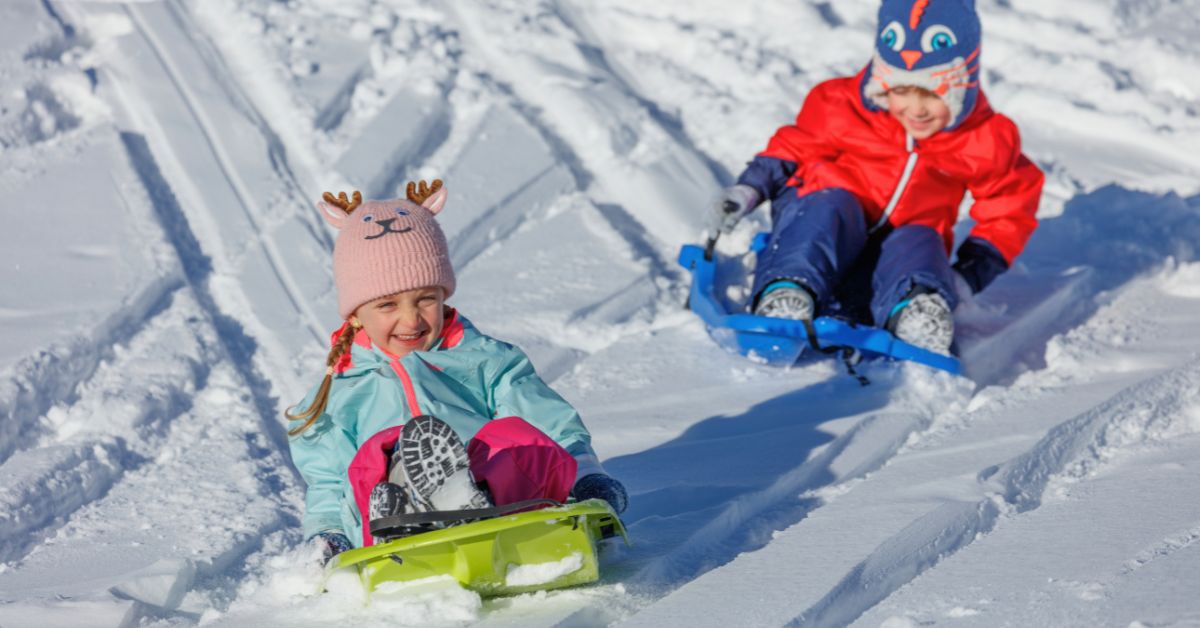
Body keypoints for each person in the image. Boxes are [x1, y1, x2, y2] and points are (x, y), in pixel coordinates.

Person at [286, 181, 627, 563]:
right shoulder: (343, 391)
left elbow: (549, 421)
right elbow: (329, 480)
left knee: (514, 438)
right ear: (355, 313)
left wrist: (585, 477)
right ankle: (409, 510)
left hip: (499, 498)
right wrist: (329, 535)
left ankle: (462, 498)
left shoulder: (485, 360)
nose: (410, 319)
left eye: (426, 299)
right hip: (386, 521)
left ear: (444, 295)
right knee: (373, 457)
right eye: (387, 305)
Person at [713, 0, 1043, 354]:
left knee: (921, 238)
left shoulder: (984, 139)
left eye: (932, 95)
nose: (915, 110)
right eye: (901, 91)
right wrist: (749, 189)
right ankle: (788, 292)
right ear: (882, 83)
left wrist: (968, 274)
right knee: (831, 206)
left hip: (891, 253)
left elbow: (1010, 206)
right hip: (823, 223)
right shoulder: (840, 106)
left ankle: (916, 311)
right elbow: (791, 149)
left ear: (961, 89)